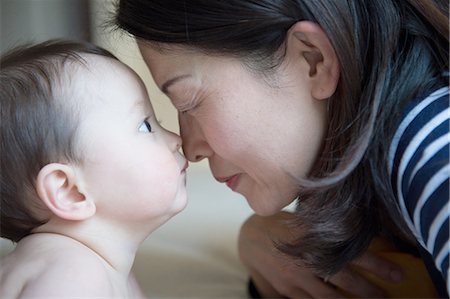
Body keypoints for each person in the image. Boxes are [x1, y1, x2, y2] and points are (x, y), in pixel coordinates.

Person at [114, 0, 449, 298]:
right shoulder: (342, 159)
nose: (190, 149)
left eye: (188, 102)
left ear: (313, 59)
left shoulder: (429, 142)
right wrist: (257, 236)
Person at [0, 40, 188, 298]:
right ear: (70, 191)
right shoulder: (73, 273)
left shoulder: (97, 268)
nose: (176, 138)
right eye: (145, 126)